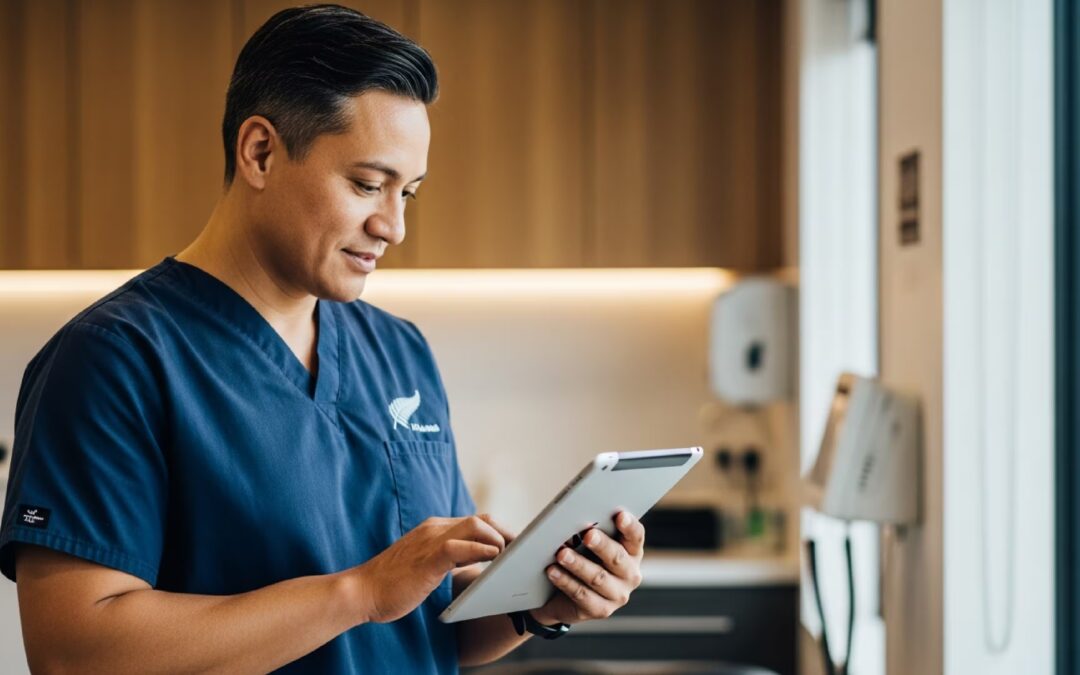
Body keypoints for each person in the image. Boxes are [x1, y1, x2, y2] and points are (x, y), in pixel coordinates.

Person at [0, 4, 645, 673]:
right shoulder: (115, 359)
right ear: (260, 152)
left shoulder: (399, 353)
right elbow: (74, 653)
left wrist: (538, 602)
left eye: (409, 194)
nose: (393, 225)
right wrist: (359, 592)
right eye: (368, 184)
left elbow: (430, 622)